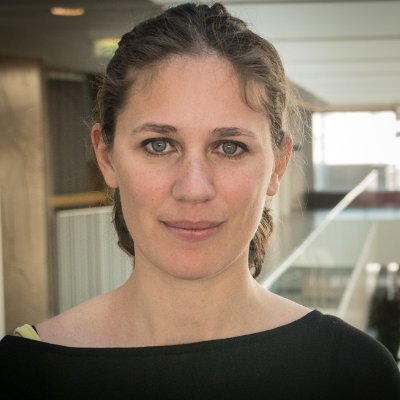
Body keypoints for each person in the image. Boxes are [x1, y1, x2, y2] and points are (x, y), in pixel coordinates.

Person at [1, 3, 399, 399]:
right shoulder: (21, 372)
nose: (193, 189)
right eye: (159, 145)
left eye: (229, 147)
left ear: (278, 165)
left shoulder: (354, 373)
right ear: (106, 157)